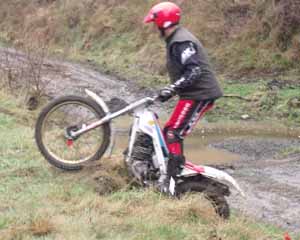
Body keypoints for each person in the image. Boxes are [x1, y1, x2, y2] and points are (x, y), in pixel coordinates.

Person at [143, 2, 223, 191]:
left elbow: (194, 71)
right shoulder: (176, 39)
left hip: (200, 94)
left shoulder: (181, 41)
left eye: (155, 23)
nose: (154, 28)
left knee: (173, 133)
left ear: (163, 23)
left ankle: (173, 179)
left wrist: (172, 88)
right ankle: (168, 173)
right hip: (192, 94)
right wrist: (171, 89)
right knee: (168, 131)